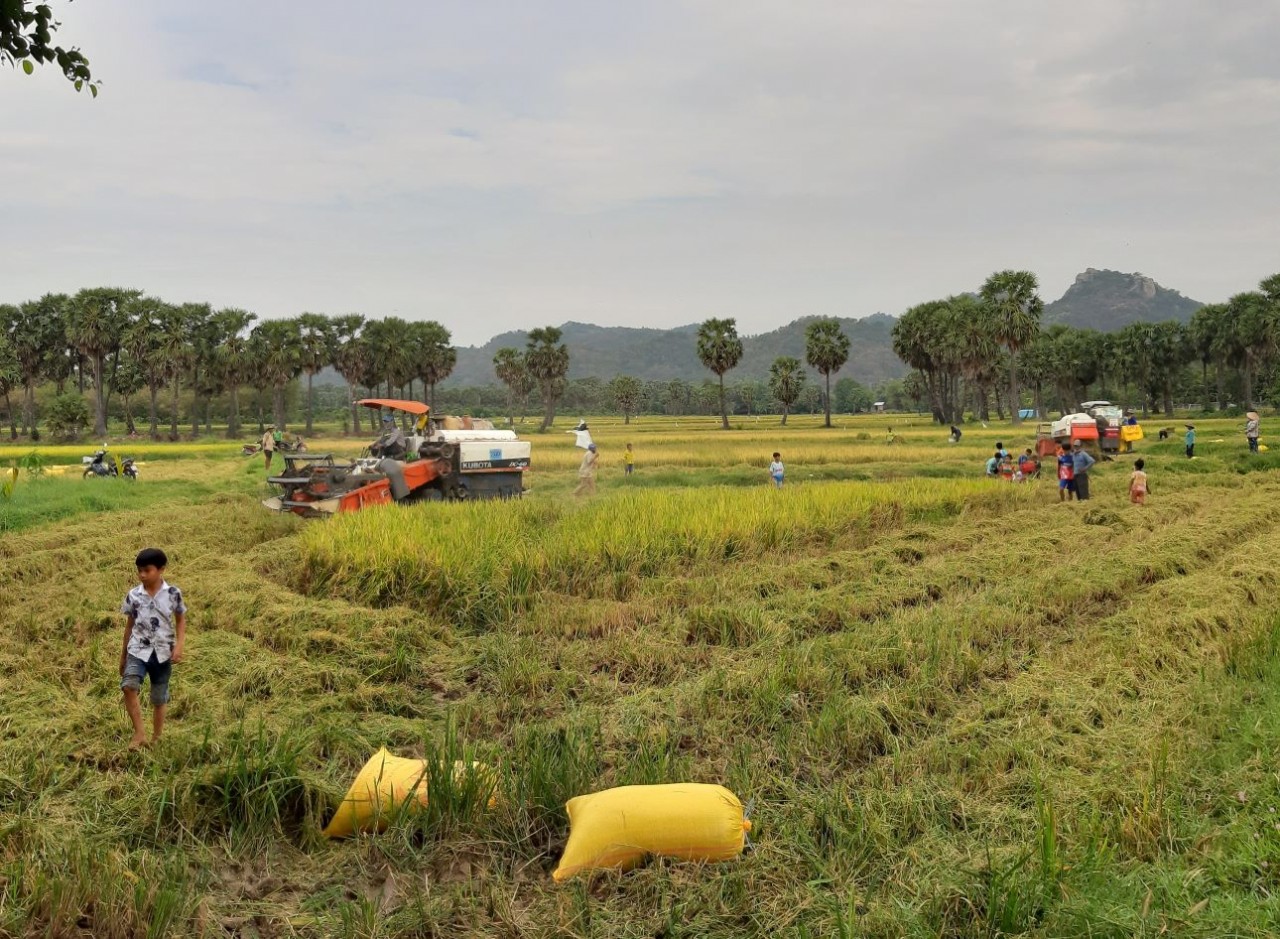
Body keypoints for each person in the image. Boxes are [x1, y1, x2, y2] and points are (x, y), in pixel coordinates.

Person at [119, 548, 187, 750]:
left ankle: (157, 738)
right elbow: (129, 626)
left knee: (159, 698)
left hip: (163, 652)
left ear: (161, 569)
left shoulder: (173, 594)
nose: (142, 575)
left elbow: (181, 621)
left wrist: (179, 646)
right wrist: (123, 656)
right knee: (128, 686)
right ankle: (140, 733)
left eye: (147, 570)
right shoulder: (133, 595)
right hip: (137, 649)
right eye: (139, 570)